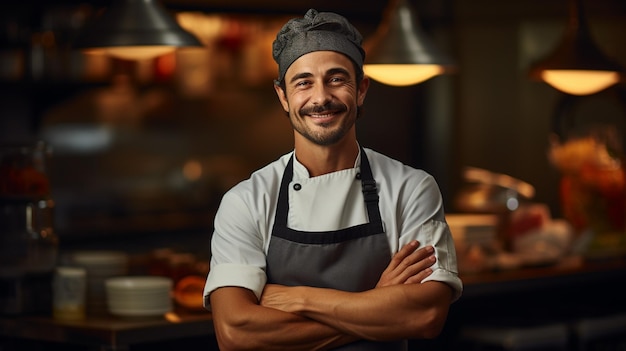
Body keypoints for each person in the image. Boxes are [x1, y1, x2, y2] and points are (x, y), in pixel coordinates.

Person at [203, 8, 462, 351]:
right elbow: (236, 334)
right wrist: (377, 304)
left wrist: (300, 299)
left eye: (337, 79)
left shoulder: (411, 188)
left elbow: (425, 316)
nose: (321, 97)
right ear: (283, 96)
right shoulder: (247, 201)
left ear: (361, 90)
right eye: (303, 82)